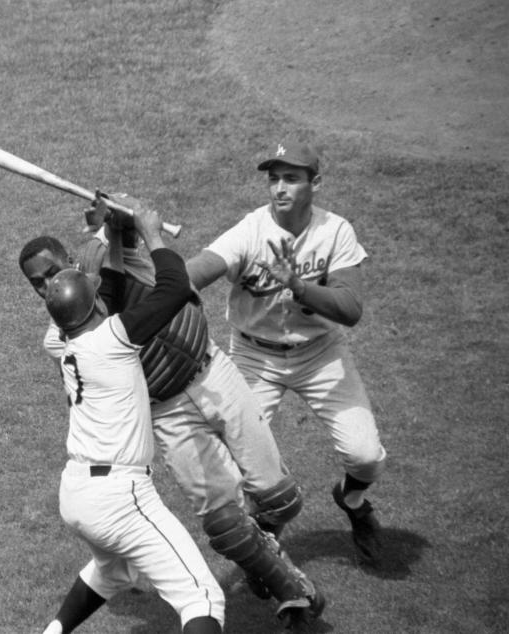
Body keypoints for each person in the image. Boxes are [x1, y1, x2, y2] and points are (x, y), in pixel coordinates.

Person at [20, 195, 325, 630]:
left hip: (208, 370)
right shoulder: (64, 332)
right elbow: (134, 290)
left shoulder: (95, 264)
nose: (48, 284)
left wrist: (116, 221)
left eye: (53, 272)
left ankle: (264, 546)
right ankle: (285, 585)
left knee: (280, 498)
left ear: (68, 259)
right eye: (38, 282)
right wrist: (141, 231)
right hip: (165, 412)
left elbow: (114, 265)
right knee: (225, 528)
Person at [183, 141, 387, 566]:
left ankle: (352, 501)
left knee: (365, 458)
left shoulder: (336, 231)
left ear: (315, 183)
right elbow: (199, 269)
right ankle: (269, 536)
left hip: (320, 354)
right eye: (273, 178)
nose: (279, 188)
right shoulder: (250, 231)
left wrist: (299, 287)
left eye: (291, 178)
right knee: (241, 465)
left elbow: (350, 310)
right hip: (255, 357)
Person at [36, 203, 224, 634]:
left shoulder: (67, 343)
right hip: (120, 496)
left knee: (113, 571)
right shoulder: (115, 338)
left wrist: (113, 235)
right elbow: (175, 289)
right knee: (203, 597)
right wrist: (151, 233)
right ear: (94, 306)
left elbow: (106, 286)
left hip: (78, 494)